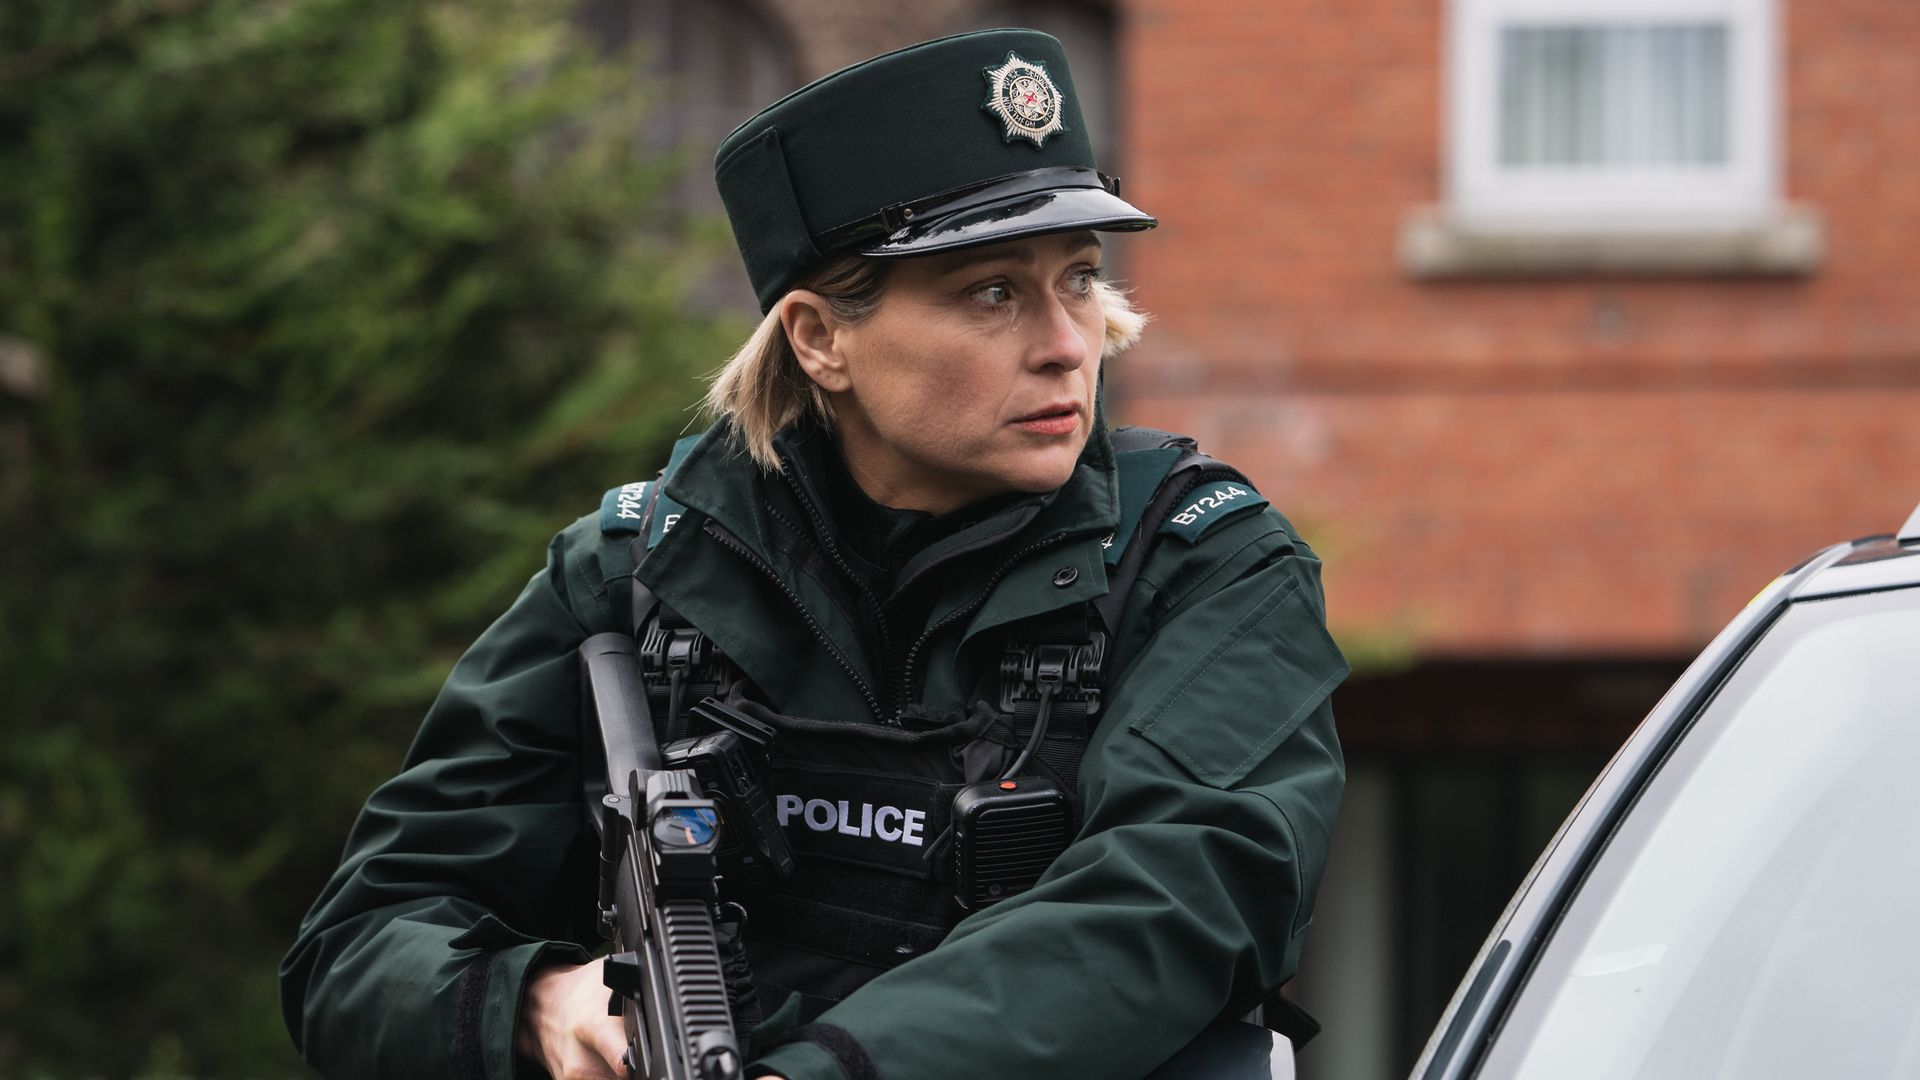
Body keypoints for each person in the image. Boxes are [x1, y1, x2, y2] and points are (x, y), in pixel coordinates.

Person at [280, 28, 1346, 1080]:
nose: (1070, 344)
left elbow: (1174, 903)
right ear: (819, 339)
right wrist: (539, 1003)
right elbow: (358, 945)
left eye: (1077, 278)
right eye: (992, 293)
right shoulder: (636, 573)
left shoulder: (1206, 567)